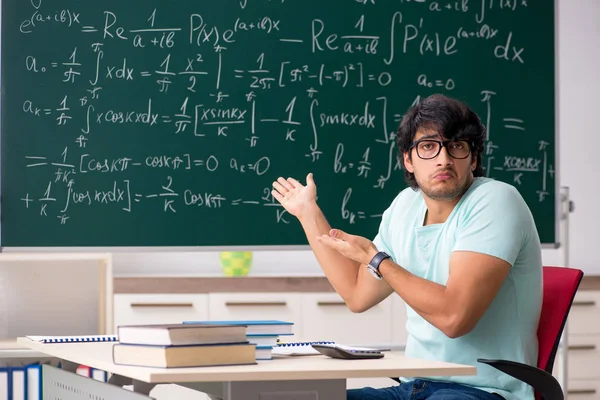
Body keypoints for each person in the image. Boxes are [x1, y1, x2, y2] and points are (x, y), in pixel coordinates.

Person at [271, 93, 543, 400]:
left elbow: (455, 319)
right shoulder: (404, 207)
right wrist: (309, 213)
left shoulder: (495, 201)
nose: (444, 159)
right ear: (408, 160)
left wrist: (378, 261)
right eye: (428, 146)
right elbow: (357, 295)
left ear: (474, 158)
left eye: (456, 146)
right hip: (415, 386)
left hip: (484, 390)